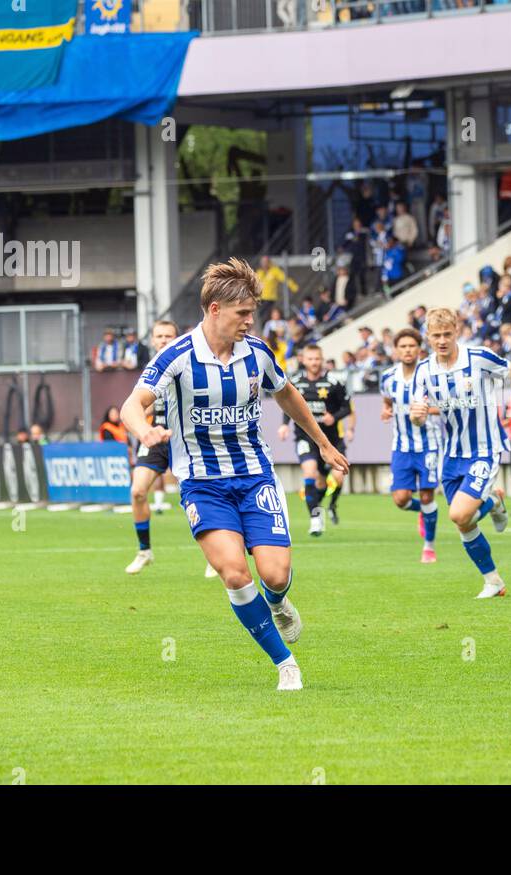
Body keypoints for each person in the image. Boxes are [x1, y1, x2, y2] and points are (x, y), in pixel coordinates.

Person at [120, 257, 349, 692]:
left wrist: (322, 442)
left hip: (255, 476)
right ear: (215, 310)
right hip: (203, 484)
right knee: (234, 573)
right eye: (243, 313)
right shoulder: (179, 356)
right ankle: (286, 664)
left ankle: (278, 603)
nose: (250, 320)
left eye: (252, 312)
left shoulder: (258, 353)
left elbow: (288, 395)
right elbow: (132, 403)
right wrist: (145, 430)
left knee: (275, 575)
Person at [410, 307, 511, 599]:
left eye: (448, 334)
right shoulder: (424, 370)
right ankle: (493, 580)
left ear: (457, 331)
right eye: (436, 335)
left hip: (484, 450)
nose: (442, 340)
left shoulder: (478, 357)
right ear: (428, 338)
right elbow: (418, 414)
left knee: (458, 513)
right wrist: (418, 415)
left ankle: (494, 501)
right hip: (451, 455)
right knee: (463, 522)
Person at [379, 328, 442, 564]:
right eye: (403, 346)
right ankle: (424, 514)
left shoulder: (431, 375)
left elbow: (445, 404)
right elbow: (387, 401)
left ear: (419, 349)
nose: (407, 350)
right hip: (401, 445)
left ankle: (429, 547)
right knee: (401, 499)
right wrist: (386, 411)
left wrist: (426, 410)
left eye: (411, 346)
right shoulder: (388, 377)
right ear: (396, 350)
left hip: (429, 444)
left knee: (427, 496)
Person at [278, 344, 352, 536]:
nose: (314, 362)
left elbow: (347, 408)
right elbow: (288, 404)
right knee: (310, 473)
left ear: (322, 359)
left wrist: (333, 418)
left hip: (332, 440)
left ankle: (332, 505)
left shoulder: (334, 382)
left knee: (337, 477)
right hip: (306, 438)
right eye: (310, 359)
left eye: (317, 359)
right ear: (303, 360)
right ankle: (315, 517)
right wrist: (285, 424)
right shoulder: (295, 381)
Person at [125, 320, 181, 575]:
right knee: (137, 491)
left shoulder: (187, 365)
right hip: (157, 437)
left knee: (202, 498)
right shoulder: (152, 371)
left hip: (186, 439)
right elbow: (140, 406)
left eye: (168, 335)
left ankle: (214, 557)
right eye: (159, 336)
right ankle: (144, 550)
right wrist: (143, 428)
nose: (163, 340)